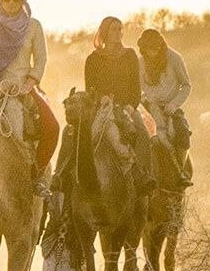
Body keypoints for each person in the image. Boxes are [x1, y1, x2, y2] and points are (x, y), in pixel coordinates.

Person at [0, 0, 59, 196]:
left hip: (23, 86)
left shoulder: (34, 26)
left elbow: (40, 60)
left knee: (52, 126)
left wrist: (28, 83)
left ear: (23, 1)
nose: (11, 3)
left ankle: (36, 174)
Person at [53, 16, 154, 195]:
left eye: (120, 29)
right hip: (100, 107)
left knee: (142, 133)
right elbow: (90, 88)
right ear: (104, 32)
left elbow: (135, 88)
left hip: (126, 106)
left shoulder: (130, 55)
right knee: (71, 132)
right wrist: (101, 99)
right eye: (113, 29)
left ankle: (143, 176)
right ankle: (61, 176)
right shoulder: (93, 59)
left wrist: (130, 106)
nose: (118, 33)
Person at [137, 29, 193, 187]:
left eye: (156, 48)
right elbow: (137, 88)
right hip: (147, 109)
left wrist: (175, 104)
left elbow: (187, 86)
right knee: (135, 135)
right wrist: (143, 100)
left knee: (182, 133)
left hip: (171, 107)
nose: (153, 52)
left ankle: (180, 171)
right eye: (149, 49)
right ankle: (139, 175)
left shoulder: (174, 58)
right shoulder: (140, 62)